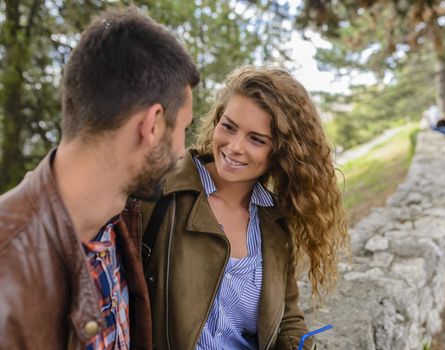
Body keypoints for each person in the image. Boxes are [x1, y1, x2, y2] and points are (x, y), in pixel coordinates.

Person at [0, 7, 199, 349]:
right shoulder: (8, 266)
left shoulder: (115, 221)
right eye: (184, 129)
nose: (183, 151)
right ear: (152, 125)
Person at [141, 65, 349, 349]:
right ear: (216, 121)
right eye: (229, 127)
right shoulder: (159, 194)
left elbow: (287, 319)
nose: (235, 146)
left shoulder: (275, 223)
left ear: (281, 152)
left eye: (256, 139)